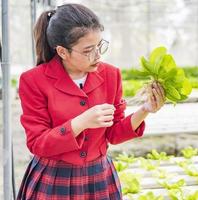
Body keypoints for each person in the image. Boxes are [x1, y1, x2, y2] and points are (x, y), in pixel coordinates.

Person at [17, 3, 165, 200]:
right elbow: (37, 143)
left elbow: (113, 133)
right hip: (53, 178)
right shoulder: (33, 80)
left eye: (99, 46)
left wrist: (145, 109)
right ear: (62, 52)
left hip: (99, 176)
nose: (98, 55)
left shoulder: (111, 74)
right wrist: (80, 123)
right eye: (88, 50)